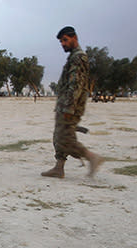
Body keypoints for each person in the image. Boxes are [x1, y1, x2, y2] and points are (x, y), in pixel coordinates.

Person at [41, 26, 103, 179]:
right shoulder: (73, 57)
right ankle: (59, 167)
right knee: (59, 135)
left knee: (65, 137)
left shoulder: (78, 57)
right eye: (61, 41)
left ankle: (91, 157)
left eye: (65, 40)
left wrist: (69, 108)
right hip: (66, 105)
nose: (63, 43)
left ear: (74, 37)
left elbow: (76, 84)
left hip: (70, 106)